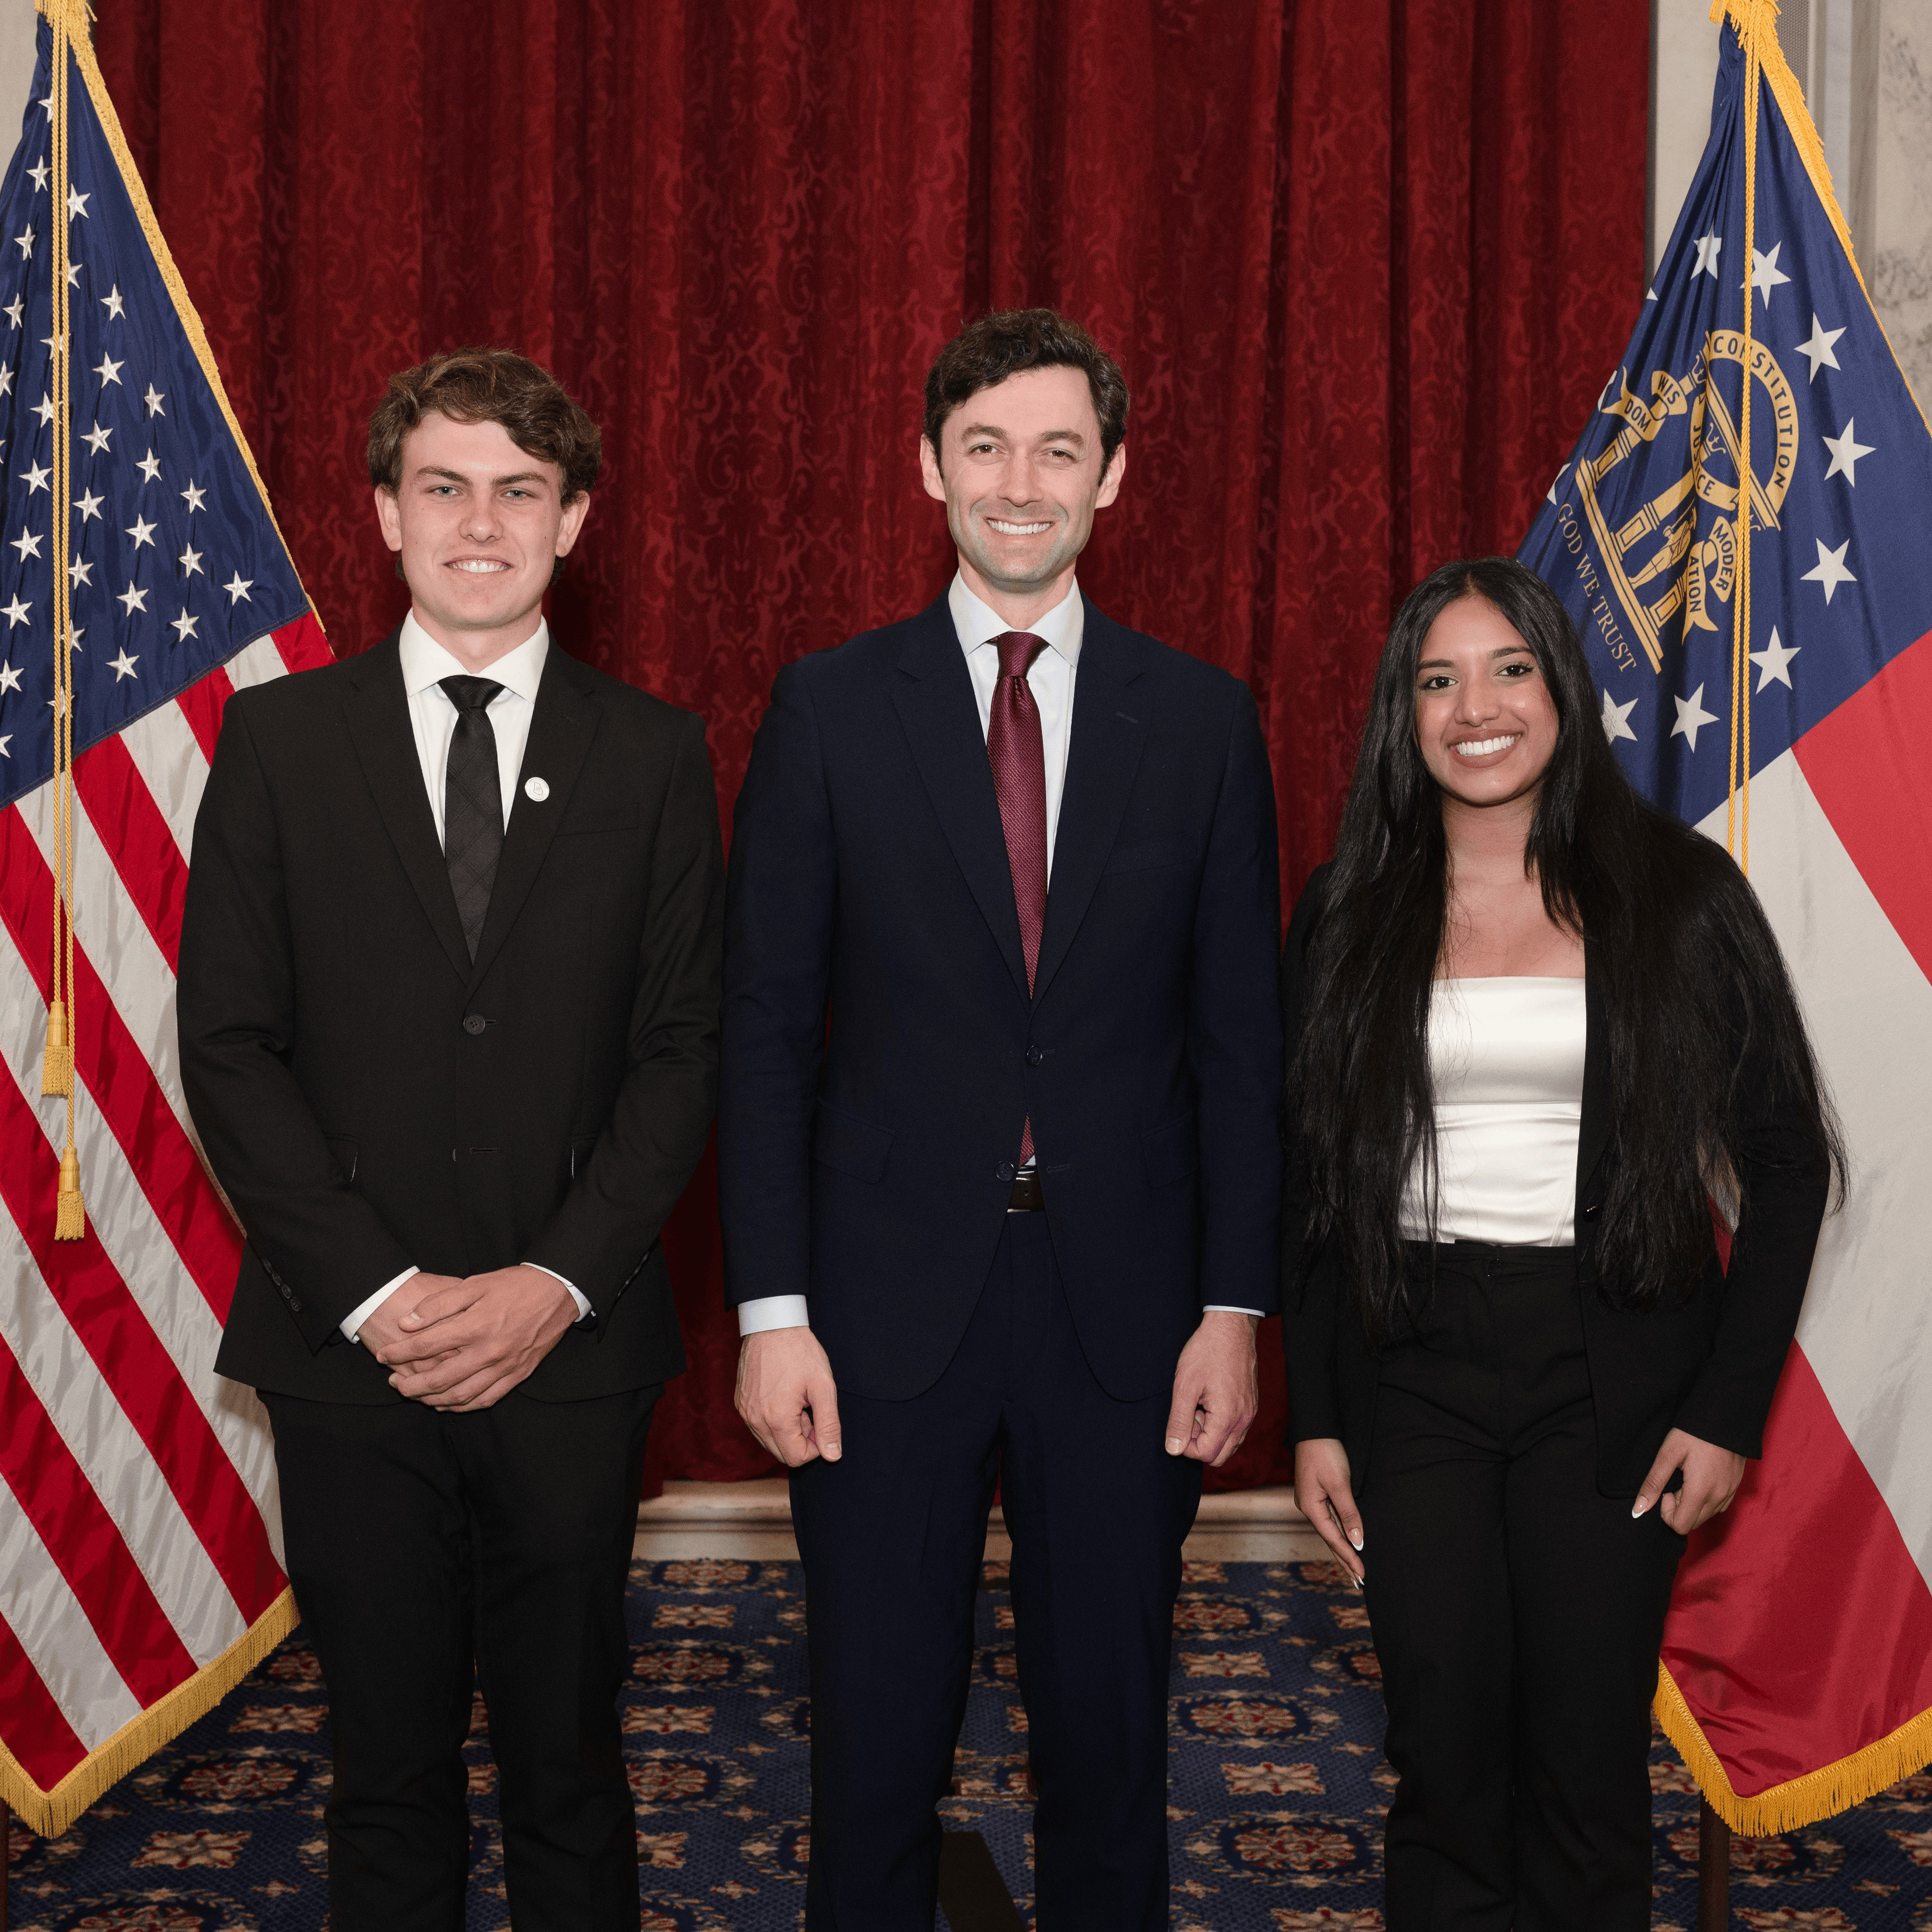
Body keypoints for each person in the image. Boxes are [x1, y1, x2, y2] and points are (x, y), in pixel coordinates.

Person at [719, 308, 1283, 1928]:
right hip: (879, 1313)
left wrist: (1234, 1310)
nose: (1018, 484)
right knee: (875, 1747)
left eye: (1056, 450)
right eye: (984, 447)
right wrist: (773, 1311)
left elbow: (1241, 1045)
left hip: (1129, 1314)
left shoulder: (1201, 719)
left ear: (1111, 476)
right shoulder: (829, 708)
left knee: (1111, 1747)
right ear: (928, 467)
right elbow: (766, 1032)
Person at [179, 348, 724, 1932]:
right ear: (383, 513)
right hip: (351, 1353)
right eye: (444, 487)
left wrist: (553, 1278)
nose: (479, 522)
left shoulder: (655, 754)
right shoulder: (278, 743)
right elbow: (230, 1044)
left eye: (518, 492)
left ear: (572, 524)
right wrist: (377, 1292)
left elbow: (685, 1045)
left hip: (575, 1346)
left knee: (569, 1763)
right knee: (386, 1765)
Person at [1282, 555, 1840, 1928]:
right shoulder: (1347, 912)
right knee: (1444, 1756)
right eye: (1438, 679)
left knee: (1586, 1770)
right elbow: (1304, 1187)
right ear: (1403, 716)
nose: (1476, 706)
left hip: (1620, 1374)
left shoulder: (1682, 893)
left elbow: (1786, 1161)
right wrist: (1315, 1418)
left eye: (1509, 669)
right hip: (1411, 1374)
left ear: (1561, 690)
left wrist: (1727, 1413)